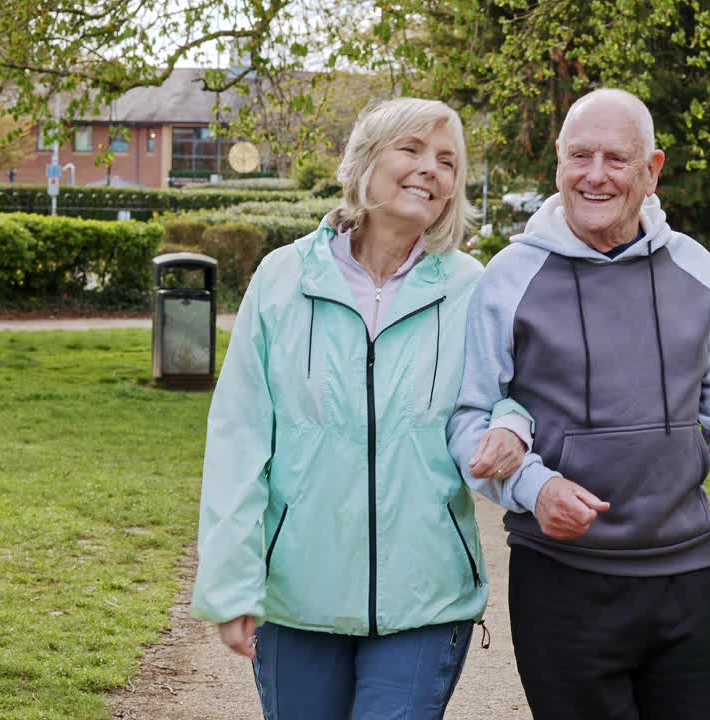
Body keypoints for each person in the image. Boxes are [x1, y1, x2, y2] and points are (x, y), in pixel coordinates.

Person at [449, 88, 710, 720]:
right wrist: (532, 486)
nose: (595, 175)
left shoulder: (692, 267)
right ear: (558, 164)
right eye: (580, 156)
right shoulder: (510, 276)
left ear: (652, 170)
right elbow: (468, 419)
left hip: (684, 577)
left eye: (616, 158)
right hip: (560, 581)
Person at [190, 97, 530, 720]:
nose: (431, 169)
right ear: (365, 160)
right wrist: (232, 581)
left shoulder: (473, 288)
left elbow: (513, 391)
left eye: (447, 160)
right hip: (298, 596)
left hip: (426, 599)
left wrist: (513, 424)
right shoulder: (282, 279)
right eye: (412, 149)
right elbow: (239, 439)